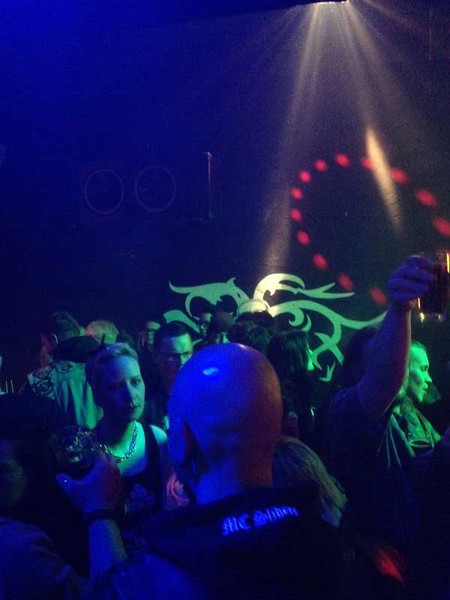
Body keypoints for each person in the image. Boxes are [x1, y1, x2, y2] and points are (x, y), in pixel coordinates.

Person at [59, 344, 407, 599]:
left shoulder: (155, 581)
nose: (129, 394)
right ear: (281, 430)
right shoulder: (356, 558)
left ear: (181, 441)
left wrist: (99, 512)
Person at [326, 255, 435, 556]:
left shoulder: (411, 414)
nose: (397, 365)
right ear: (355, 370)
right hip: (383, 563)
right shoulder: (344, 410)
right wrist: (400, 308)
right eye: (380, 359)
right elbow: (385, 381)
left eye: (399, 356)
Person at [85, 343, 168, 558]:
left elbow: (168, 511)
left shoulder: (157, 439)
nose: (130, 395)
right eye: (115, 387)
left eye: (135, 382)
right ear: (97, 395)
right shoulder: (88, 453)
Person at [0, 393, 82, 598]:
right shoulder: (19, 548)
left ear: (34, 468)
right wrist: (101, 513)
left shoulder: (66, 509)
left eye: (2, 470)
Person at [23, 311, 102, 429]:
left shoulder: (37, 380)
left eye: (44, 344)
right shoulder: (107, 367)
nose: (45, 350)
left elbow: (24, 424)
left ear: (53, 340)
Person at [143, 322, 194, 431]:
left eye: (186, 354)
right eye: (173, 356)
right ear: (156, 357)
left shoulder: (205, 395)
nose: (181, 362)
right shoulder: (145, 403)